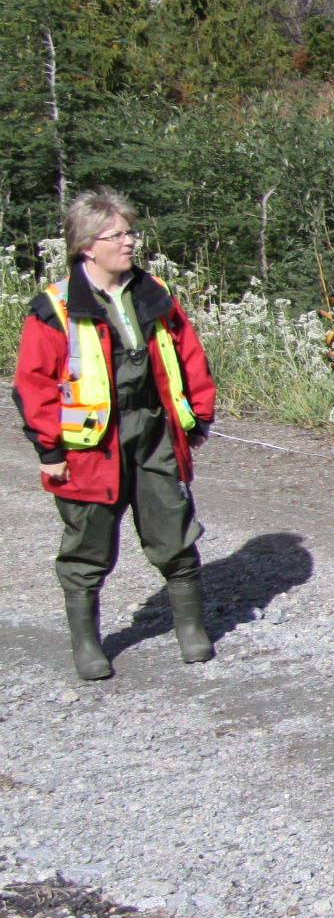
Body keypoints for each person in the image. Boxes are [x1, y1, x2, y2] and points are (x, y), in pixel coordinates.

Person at [13, 188, 216, 682]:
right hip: (89, 446)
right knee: (88, 542)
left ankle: (191, 630)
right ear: (88, 245)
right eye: (117, 234)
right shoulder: (55, 307)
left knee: (174, 527)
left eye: (130, 232)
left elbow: (189, 355)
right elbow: (32, 384)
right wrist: (48, 450)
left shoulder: (154, 291)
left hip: (154, 430)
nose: (129, 242)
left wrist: (199, 417)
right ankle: (87, 644)